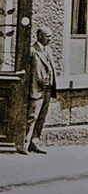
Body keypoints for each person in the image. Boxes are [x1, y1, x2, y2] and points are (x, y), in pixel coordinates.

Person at [20, 24, 57, 154]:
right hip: (36, 89)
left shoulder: (49, 50)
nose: (50, 39)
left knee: (42, 117)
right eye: (48, 36)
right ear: (40, 37)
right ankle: (24, 144)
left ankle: (34, 142)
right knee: (32, 117)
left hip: (48, 89)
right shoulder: (32, 51)